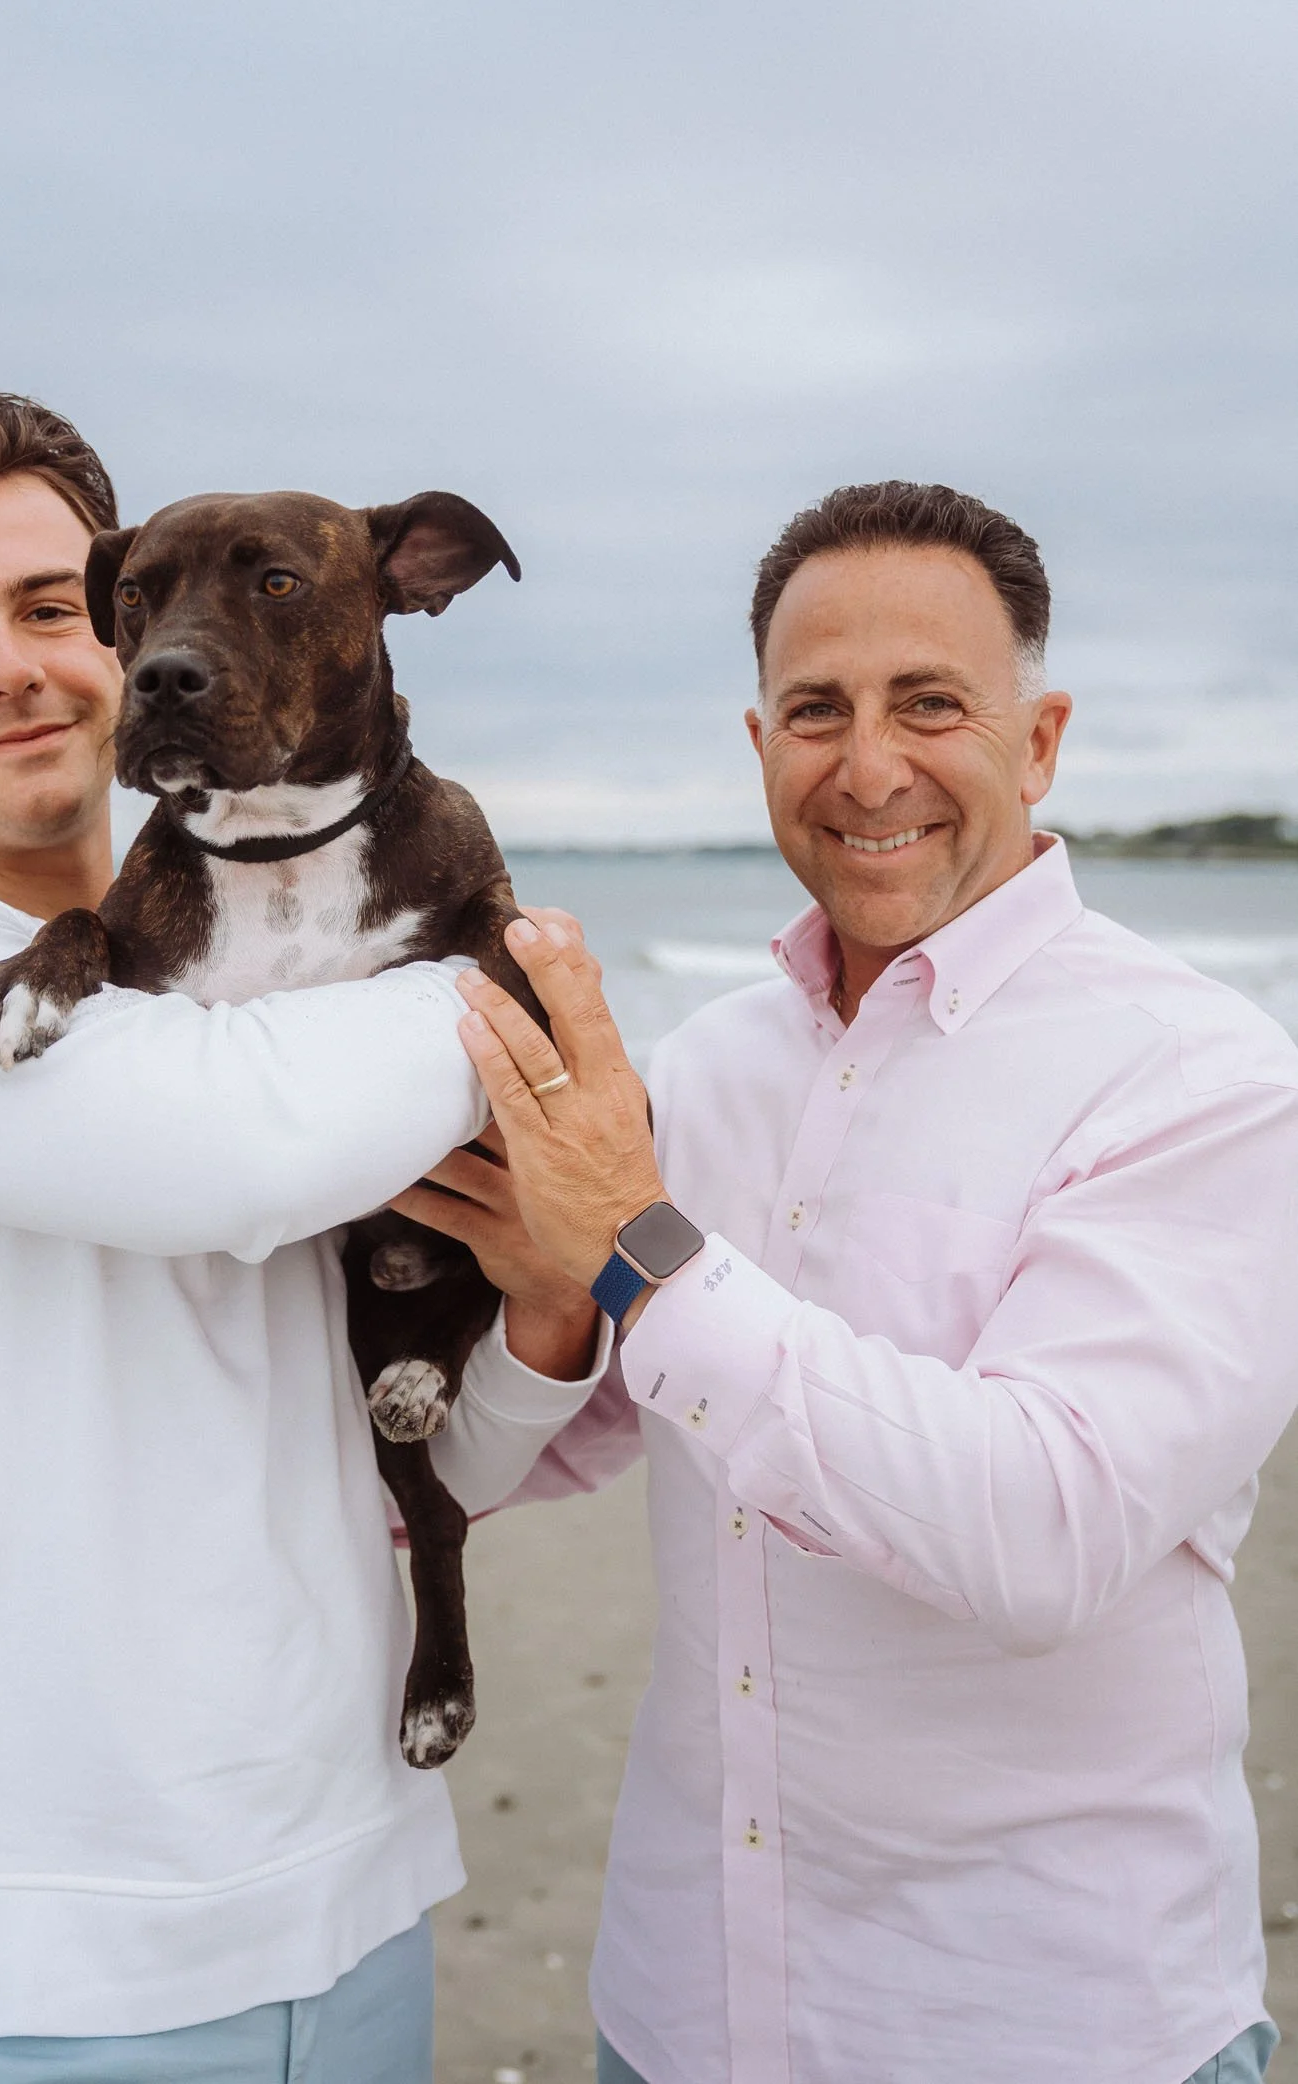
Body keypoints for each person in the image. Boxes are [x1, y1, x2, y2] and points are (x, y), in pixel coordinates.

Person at [0, 379, 604, 2083]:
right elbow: (245, 1147)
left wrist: (551, 1314)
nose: (25, 665)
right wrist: (535, 992)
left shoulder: (236, 989)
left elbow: (430, 1466)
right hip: (48, 1951)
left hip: (344, 1887)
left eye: (55, 608)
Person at [400, 481, 1298, 2084]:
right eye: (815, 711)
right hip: (678, 2015)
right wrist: (547, 1306)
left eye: (929, 704)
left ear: (1037, 740)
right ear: (759, 750)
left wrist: (636, 1246)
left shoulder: (1203, 1081)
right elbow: (515, 1464)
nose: (867, 766)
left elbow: (1039, 1533)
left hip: (1044, 2029)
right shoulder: (709, 1064)